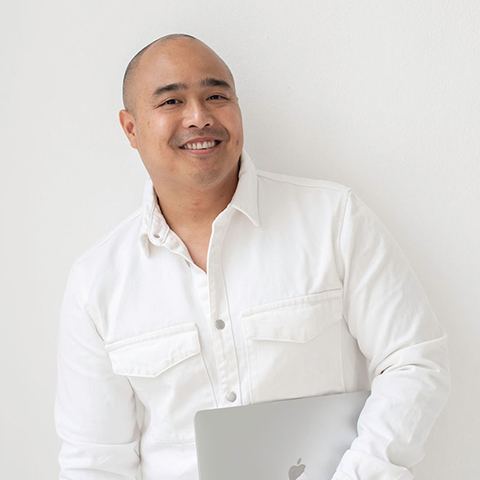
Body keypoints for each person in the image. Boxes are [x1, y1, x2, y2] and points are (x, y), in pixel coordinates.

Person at [55, 34, 450, 480]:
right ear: (131, 128)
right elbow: (95, 459)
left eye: (216, 96)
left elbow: (415, 360)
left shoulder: (334, 219)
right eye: (171, 102)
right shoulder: (97, 282)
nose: (199, 117)